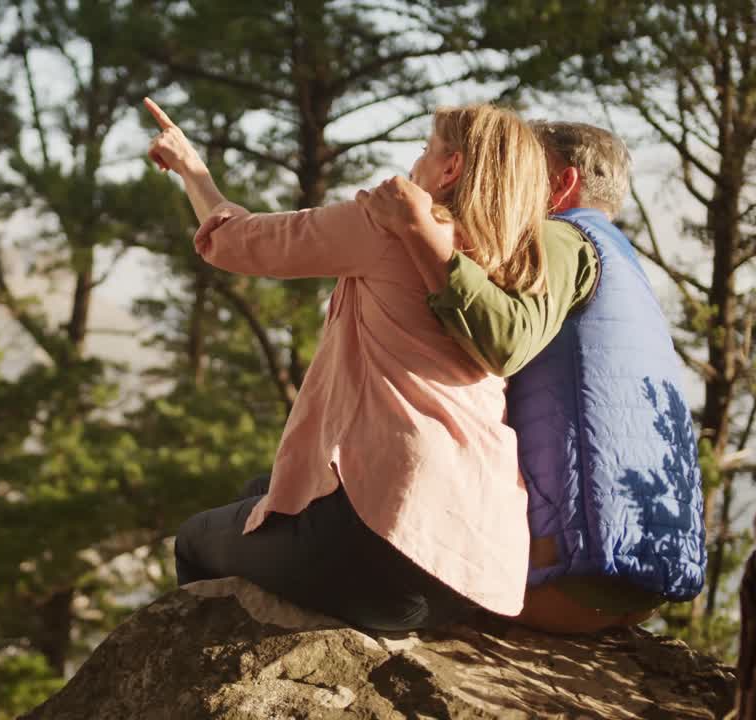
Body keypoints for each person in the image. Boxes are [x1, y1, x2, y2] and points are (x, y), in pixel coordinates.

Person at [143, 97, 550, 631]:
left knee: (197, 540)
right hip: (473, 569)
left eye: (426, 150)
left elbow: (242, 242)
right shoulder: (516, 266)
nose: (414, 164)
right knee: (259, 492)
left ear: (451, 168)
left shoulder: (392, 226)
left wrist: (192, 170)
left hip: (380, 548)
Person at [357, 121, 706, 633]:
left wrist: (420, 232)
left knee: (338, 548)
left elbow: (508, 339)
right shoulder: (624, 266)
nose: (506, 183)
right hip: (632, 580)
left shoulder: (563, 238)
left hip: (565, 580)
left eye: (523, 172)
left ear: (560, 186)